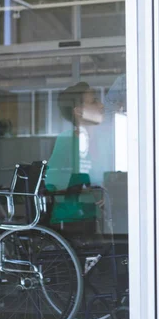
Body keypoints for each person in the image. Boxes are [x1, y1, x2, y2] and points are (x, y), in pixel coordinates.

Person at [45, 82, 106, 226]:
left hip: (100, 219)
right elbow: (53, 184)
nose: (101, 105)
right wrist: (90, 189)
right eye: (94, 101)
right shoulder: (67, 141)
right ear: (78, 111)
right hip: (72, 223)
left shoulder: (105, 140)